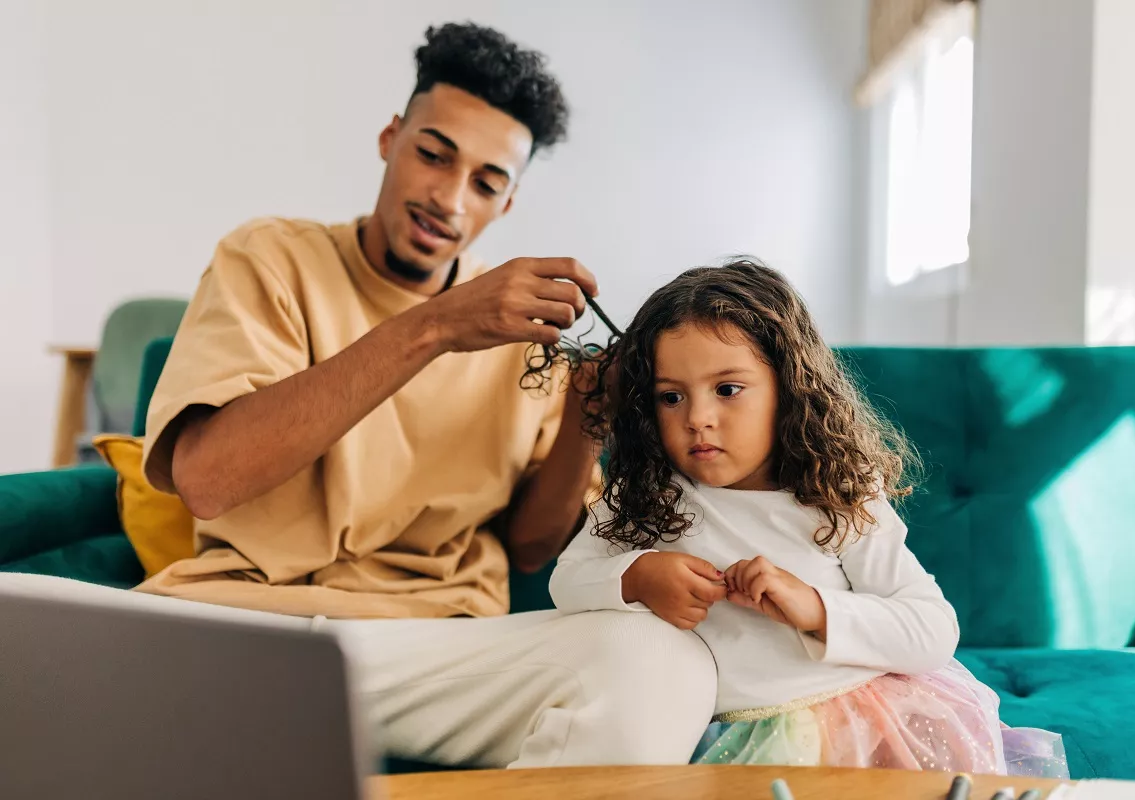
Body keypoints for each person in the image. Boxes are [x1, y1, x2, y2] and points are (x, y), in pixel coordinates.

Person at [0, 22, 717, 769]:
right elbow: (207, 482)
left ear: (505, 207)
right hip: (237, 630)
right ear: (390, 138)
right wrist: (438, 323)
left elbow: (533, 545)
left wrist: (585, 419)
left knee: (659, 661)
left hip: (431, 650)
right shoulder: (270, 258)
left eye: (485, 182)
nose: (447, 196)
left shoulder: (521, 331)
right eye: (433, 155)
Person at [549, 259, 1070, 777]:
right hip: (707, 734)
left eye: (727, 389)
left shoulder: (836, 494)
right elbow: (567, 581)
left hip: (853, 727)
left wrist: (816, 608)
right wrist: (635, 577)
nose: (697, 418)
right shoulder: (643, 495)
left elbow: (932, 630)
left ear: (788, 388)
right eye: (671, 396)